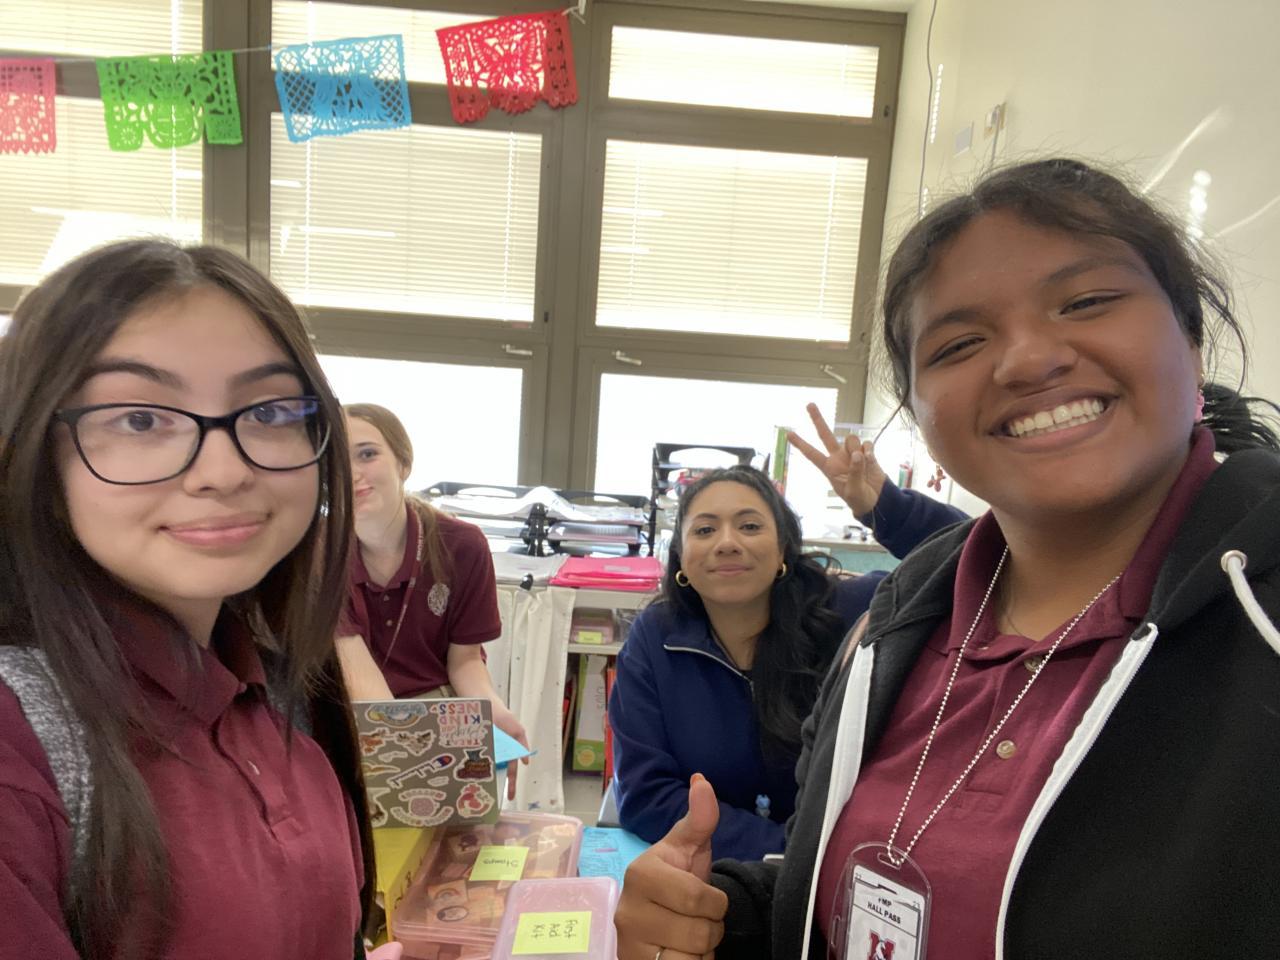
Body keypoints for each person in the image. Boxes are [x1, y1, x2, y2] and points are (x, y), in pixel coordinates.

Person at [614, 157, 1280, 960]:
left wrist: (880, 502)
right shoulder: (894, 630)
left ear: (1192, 337)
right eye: (961, 342)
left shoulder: (1259, 630)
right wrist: (732, 913)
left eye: (1086, 301)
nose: (1027, 360)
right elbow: (848, 876)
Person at [0, 240, 374, 959]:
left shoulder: (274, 687)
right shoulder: (21, 745)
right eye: (141, 420)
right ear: (35, 454)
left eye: (271, 410)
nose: (224, 471)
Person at [608, 441, 964, 861]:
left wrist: (886, 506)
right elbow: (645, 795)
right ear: (681, 559)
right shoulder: (657, 637)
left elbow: (984, 560)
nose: (727, 543)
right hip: (727, 870)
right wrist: (787, 856)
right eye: (704, 530)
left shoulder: (852, 611)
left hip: (845, 870)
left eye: (749, 526)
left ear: (782, 550)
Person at [337, 403, 529, 755]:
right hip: (353, 711)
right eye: (336, 459)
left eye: (367, 454)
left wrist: (493, 712)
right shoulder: (320, 553)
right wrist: (402, 753)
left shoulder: (462, 545)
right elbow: (358, 677)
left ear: (404, 463)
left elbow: (465, 660)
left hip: (439, 706)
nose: (351, 473)